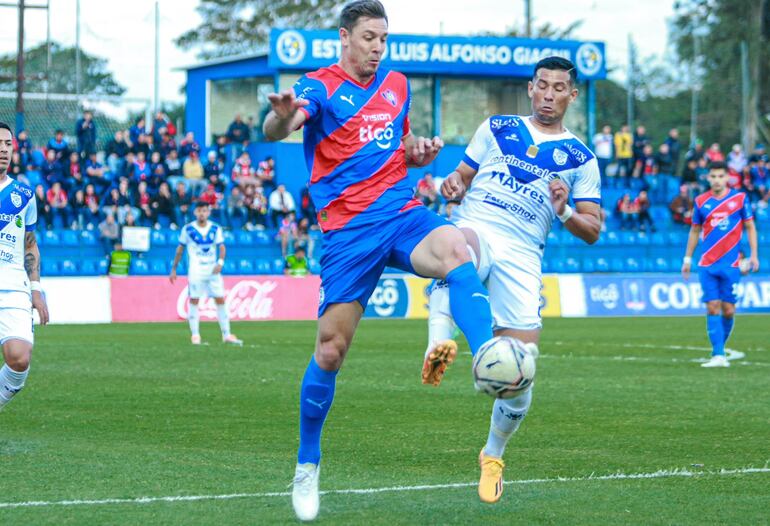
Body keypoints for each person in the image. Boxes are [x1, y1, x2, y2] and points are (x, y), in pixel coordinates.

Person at [262, 1, 494, 520]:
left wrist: (419, 153)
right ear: (344, 38)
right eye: (369, 37)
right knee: (330, 351)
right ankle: (307, 465)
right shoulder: (319, 85)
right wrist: (280, 119)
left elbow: (399, 142)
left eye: (383, 39)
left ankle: (487, 357)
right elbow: (286, 122)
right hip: (347, 233)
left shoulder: (397, 84)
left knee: (460, 247)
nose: (377, 48)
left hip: (401, 210)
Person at [422, 56, 601, 504]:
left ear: (571, 95)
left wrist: (563, 211)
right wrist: (452, 186)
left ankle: (493, 454)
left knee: (523, 374)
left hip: (524, 255)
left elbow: (593, 230)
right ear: (530, 87)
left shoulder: (581, 157)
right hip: (478, 224)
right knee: (457, 251)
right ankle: (437, 343)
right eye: (542, 85)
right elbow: (460, 178)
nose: (548, 95)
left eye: (559, 88)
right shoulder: (497, 127)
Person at [682, 161, 759, 368]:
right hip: (707, 264)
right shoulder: (700, 201)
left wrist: (753, 256)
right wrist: (687, 259)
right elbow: (695, 231)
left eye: (720, 176)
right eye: (713, 176)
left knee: (728, 310)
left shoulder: (740, 199)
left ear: (727, 178)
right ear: (708, 178)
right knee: (713, 306)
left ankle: (720, 349)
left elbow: (750, 227)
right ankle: (718, 354)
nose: (716, 180)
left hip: (731, 265)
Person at [0, 122, 50, 412]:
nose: (3, 150)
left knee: (19, 359)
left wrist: (36, 288)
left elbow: (30, 244)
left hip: (13, 287)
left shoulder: (24, 195)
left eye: (7, 144)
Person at [169, 202, 242, 347]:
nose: (202, 213)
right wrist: (174, 268)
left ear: (208, 212)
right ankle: (195, 335)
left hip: (212, 270)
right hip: (196, 269)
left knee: (220, 299)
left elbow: (222, 247)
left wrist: (220, 263)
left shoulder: (215, 228)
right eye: (199, 211)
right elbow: (180, 249)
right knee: (194, 300)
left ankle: (226, 334)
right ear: (195, 212)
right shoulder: (188, 229)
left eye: (204, 211)